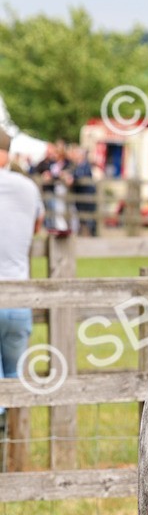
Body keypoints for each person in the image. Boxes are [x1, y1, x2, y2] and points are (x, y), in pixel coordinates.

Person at [0, 127, 44, 442]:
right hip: (19, 295)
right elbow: (37, 225)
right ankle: (14, 448)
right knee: (15, 377)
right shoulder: (28, 187)